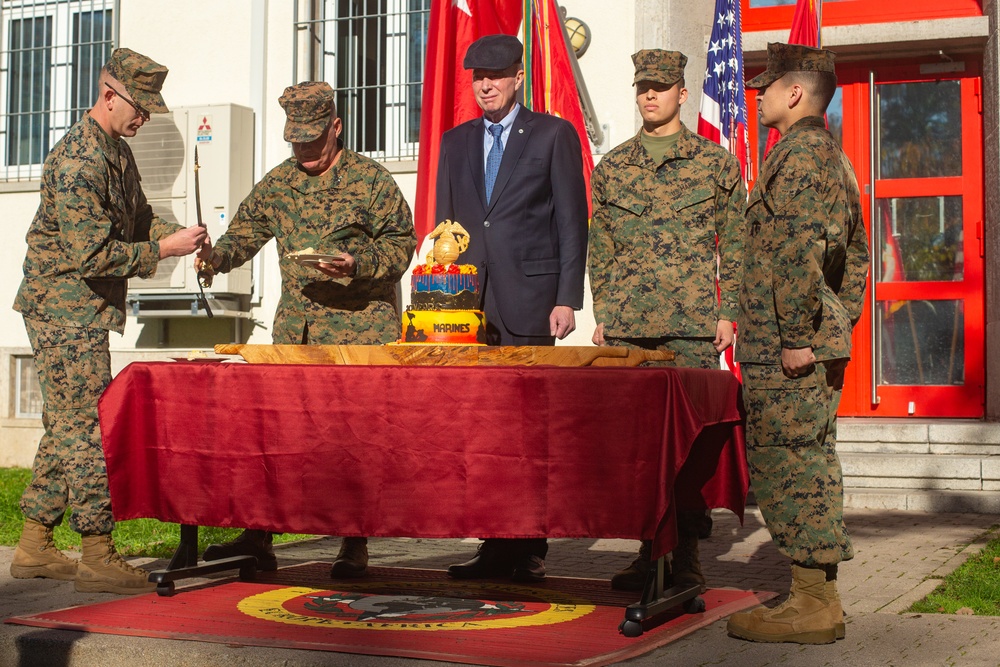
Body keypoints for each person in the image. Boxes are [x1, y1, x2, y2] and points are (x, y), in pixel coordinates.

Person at [197, 81, 415, 579]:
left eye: (314, 141)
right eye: (296, 142)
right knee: (277, 435)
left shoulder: (372, 180)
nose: (305, 152)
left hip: (359, 333)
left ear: (336, 128)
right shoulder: (279, 183)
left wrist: (359, 263)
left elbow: (403, 244)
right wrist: (212, 258)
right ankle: (259, 537)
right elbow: (243, 236)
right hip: (297, 331)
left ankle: (354, 543)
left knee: (352, 440)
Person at [10, 48, 208, 595]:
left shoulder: (116, 151)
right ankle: (97, 550)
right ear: (108, 94)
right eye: (139, 107)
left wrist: (181, 236)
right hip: (61, 308)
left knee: (67, 425)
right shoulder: (78, 160)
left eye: (149, 109)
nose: (144, 118)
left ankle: (33, 547)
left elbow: (141, 217)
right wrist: (164, 250)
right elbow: (93, 254)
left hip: (82, 309)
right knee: (86, 428)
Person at [726, 43, 869, 644]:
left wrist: (798, 335)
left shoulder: (802, 157)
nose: (758, 95)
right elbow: (856, 259)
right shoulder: (826, 156)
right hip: (804, 340)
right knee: (805, 459)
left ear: (794, 93)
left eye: (768, 85)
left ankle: (813, 604)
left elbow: (798, 254)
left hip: (789, 349)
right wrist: (840, 322)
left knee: (792, 465)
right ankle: (815, 597)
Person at [588, 49, 745, 593]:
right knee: (638, 449)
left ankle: (690, 556)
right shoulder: (613, 167)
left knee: (691, 449)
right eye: (642, 87)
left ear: (682, 93)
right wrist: (604, 314)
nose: (649, 95)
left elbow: (738, 245)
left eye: (660, 87)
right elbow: (600, 249)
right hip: (630, 328)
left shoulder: (716, 163)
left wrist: (729, 312)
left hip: (692, 327)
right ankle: (648, 550)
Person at [436, 34, 588, 583]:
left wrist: (567, 297)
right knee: (480, 430)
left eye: (497, 75)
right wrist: (443, 304)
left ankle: (527, 546)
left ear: (518, 77)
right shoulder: (455, 143)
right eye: (478, 76)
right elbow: (446, 231)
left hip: (532, 301)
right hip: (470, 310)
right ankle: (491, 542)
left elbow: (572, 221)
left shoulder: (552, 134)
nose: (486, 84)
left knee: (527, 431)